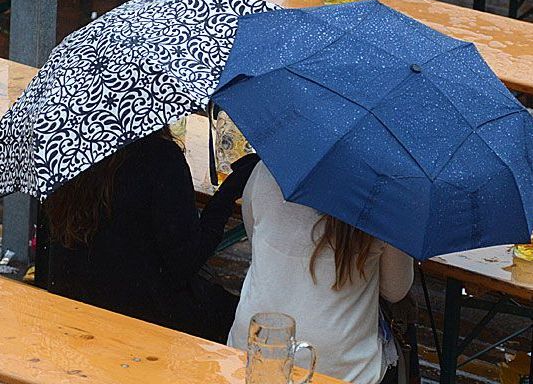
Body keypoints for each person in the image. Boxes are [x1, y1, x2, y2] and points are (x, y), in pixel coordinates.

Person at [36, 126, 259, 343]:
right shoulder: (159, 157)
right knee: (244, 320)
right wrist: (229, 192)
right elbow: (185, 262)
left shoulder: (65, 145)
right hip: (141, 316)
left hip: (71, 299)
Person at [228, 161, 414, 384]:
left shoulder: (269, 168)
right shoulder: (387, 196)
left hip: (254, 350)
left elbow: (253, 231)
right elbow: (395, 291)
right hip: (342, 368)